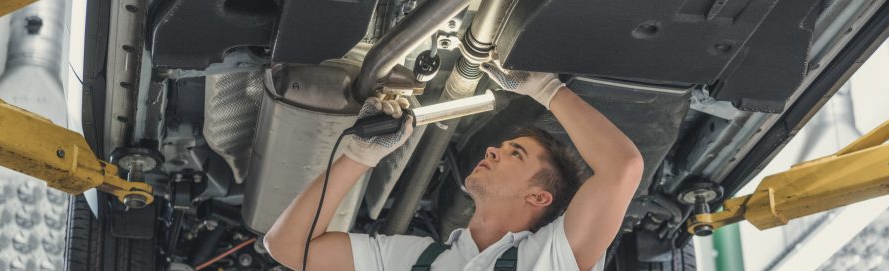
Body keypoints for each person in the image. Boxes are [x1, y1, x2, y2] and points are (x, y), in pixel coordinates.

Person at [263, 59, 644, 271]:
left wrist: (546, 90)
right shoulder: (420, 260)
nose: (492, 150)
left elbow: (622, 168)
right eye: (505, 147)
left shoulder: (549, 260)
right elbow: (289, 247)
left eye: (515, 153)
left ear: (539, 196)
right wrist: (360, 156)